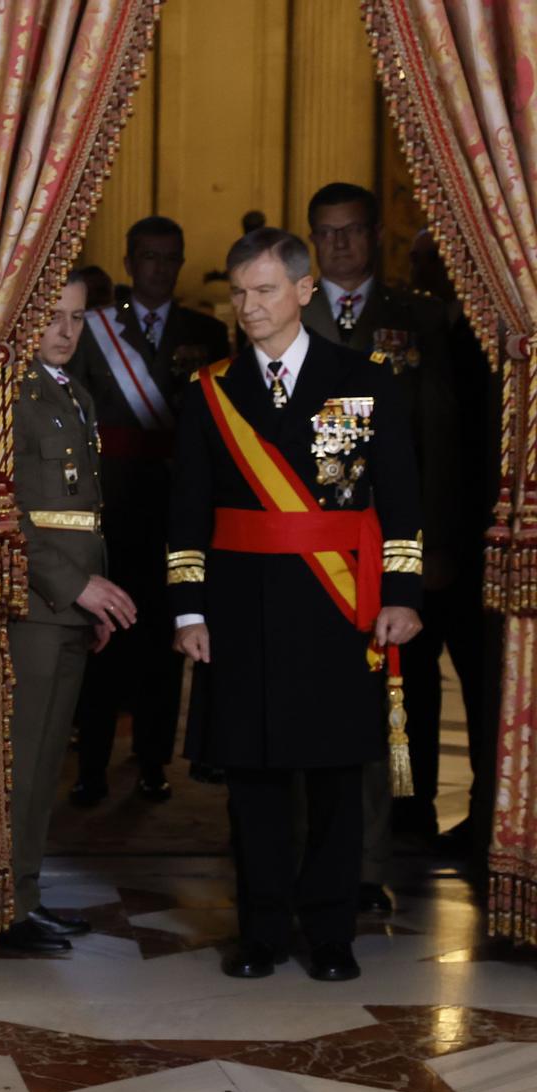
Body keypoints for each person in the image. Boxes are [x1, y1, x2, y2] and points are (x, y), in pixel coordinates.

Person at [169, 227, 423, 984]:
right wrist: (189, 610)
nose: (249, 307)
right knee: (252, 782)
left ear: (305, 290)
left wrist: (402, 596)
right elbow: (185, 512)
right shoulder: (209, 389)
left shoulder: (368, 377)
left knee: (337, 780)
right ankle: (261, 930)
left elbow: (402, 498)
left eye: (267, 290)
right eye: (240, 292)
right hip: (240, 610)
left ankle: (332, 932)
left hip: (338, 606)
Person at [304, 181, 459, 908]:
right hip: (308, 544)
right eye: (325, 233)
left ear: (374, 235)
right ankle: (317, 851)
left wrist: (421, 544)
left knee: (399, 689)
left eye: (352, 231)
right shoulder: (284, 312)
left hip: (389, 540)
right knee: (317, 700)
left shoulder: (421, 320)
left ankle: (395, 827)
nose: (340, 245)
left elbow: (437, 440)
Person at [71, 216, 230, 806]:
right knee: (103, 643)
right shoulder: (93, 331)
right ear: (130, 261)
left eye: (170, 258)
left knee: (166, 643)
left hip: (174, 509)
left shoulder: (207, 333)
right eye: (149, 257)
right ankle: (90, 764)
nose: (160, 268)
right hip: (109, 509)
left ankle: (154, 762)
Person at [3, 271, 134, 953]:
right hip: (34, 604)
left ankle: (26, 892)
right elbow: (6, 514)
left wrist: (98, 591)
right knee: (20, 761)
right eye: (51, 315)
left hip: (75, 604)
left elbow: (83, 513)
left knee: (49, 755)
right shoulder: (7, 396)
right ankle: (3, 902)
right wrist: (76, 587)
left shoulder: (75, 394)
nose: (63, 330)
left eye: (77, 318)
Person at [409, 227, 503, 863]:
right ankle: (408, 808)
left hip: (477, 546)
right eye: (422, 261)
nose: (430, 271)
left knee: (484, 693)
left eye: (439, 259)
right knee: (409, 692)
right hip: (410, 544)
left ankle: (487, 813)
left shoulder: (497, 339)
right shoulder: (410, 328)